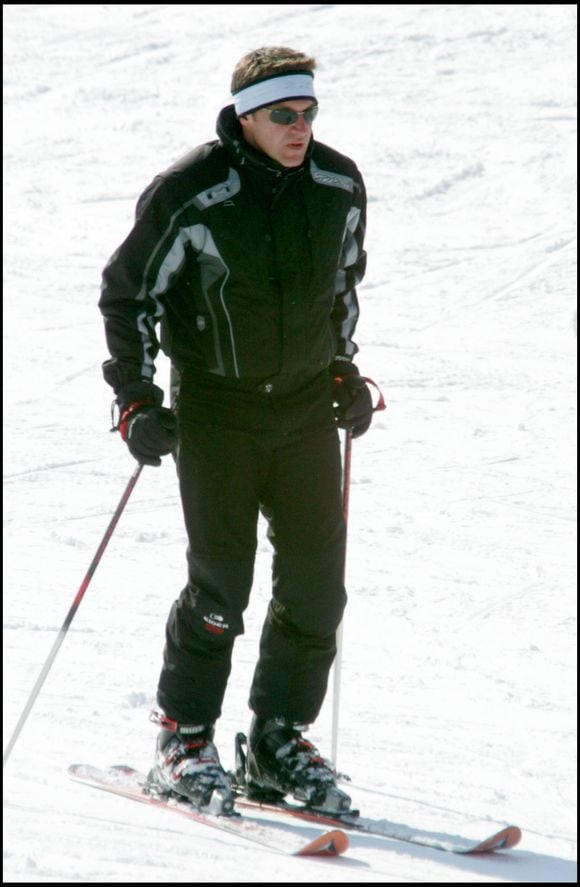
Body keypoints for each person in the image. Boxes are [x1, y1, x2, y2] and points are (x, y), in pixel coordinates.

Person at [99, 46, 375, 816]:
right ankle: (183, 740)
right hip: (218, 413)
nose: (300, 127)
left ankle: (276, 741)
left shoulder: (339, 184)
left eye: (309, 111)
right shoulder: (193, 192)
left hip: (303, 411)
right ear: (247, 116)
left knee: (318, 589)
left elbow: (341, 287)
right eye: (284, 114)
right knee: (221, 585)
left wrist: (342, 369)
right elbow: (127, 294)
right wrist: (135, 398)